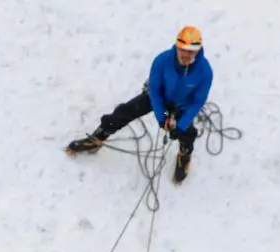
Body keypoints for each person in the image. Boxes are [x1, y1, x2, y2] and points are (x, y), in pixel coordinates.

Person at [67, 25, 214, 184]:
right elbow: (154, 91)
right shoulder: (162, 61)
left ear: (198, 51)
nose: (186, 55)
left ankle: (185, 154)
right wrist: (161, 117)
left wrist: (181, 125)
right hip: (159, 98)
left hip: (182, 106)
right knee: (124, 112)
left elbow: (198, 102)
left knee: (188, 133)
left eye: (191, 51)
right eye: (183, 50)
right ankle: (97, 138)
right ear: (177, 47)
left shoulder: (205, 72)